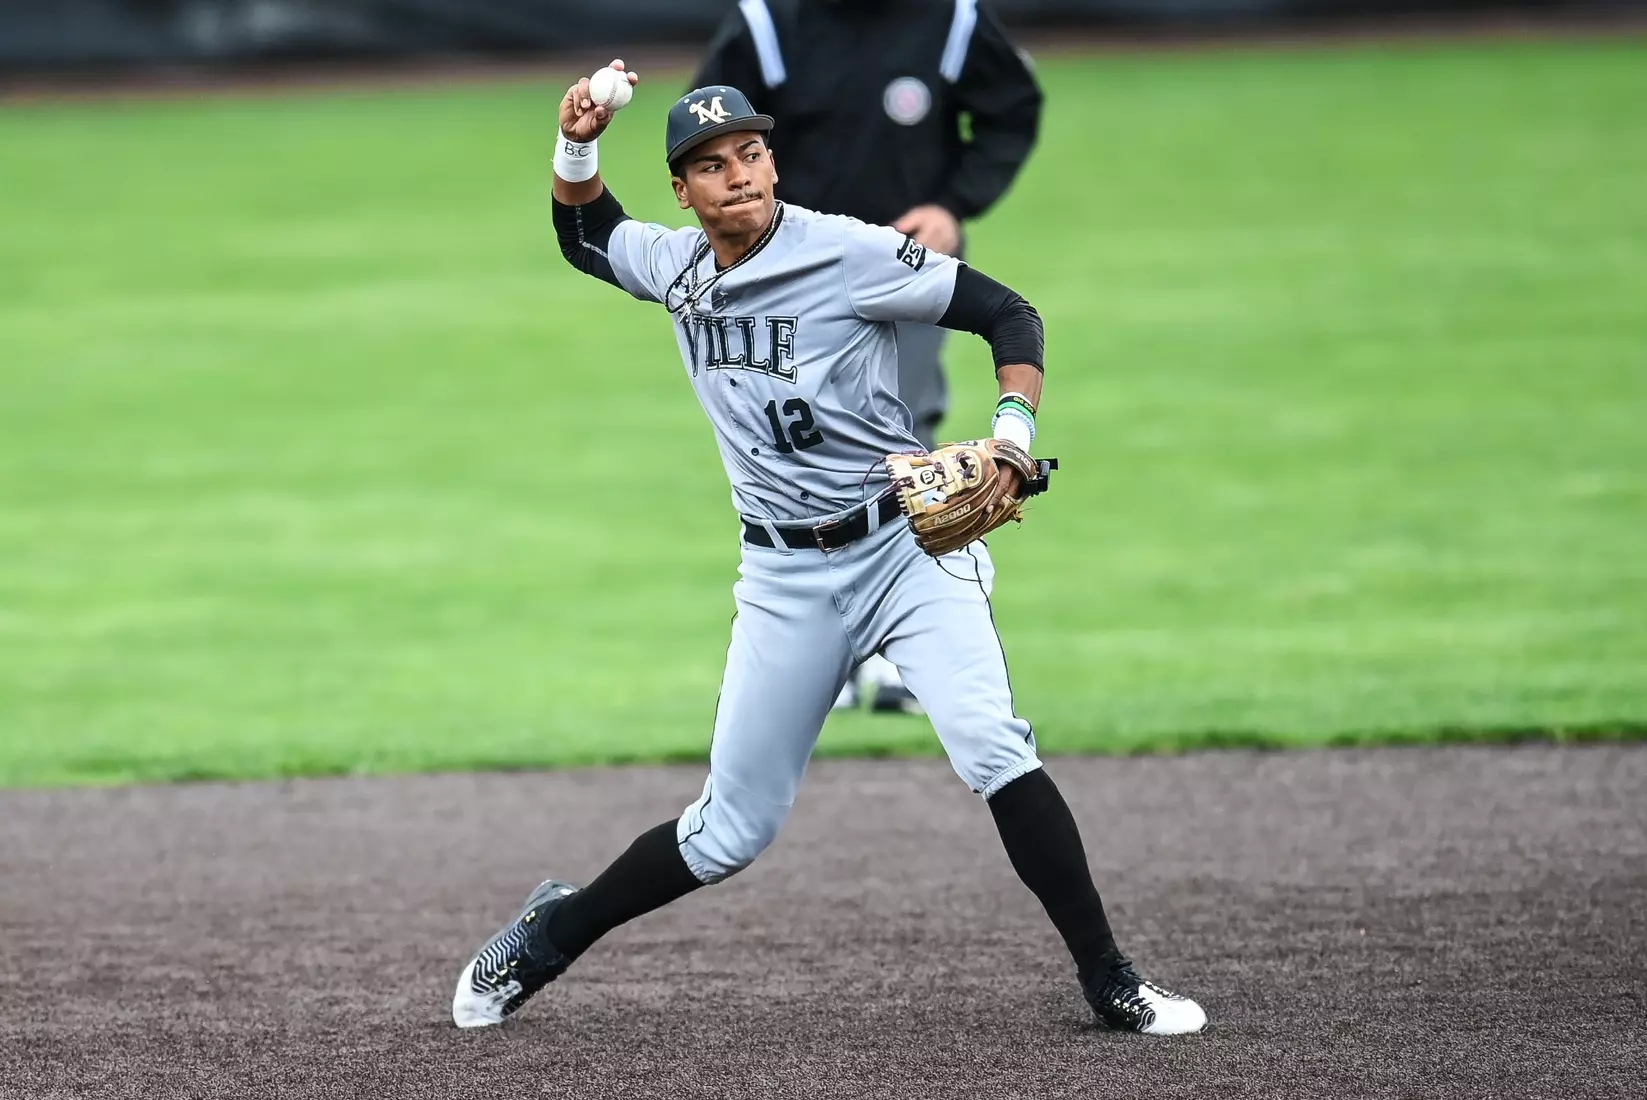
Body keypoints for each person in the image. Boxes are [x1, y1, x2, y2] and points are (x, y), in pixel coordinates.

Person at [449, 62, 1206, 1039]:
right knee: (730, 831)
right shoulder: (676, 266)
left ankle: (1111, 976)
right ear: (684, 191)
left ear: (773, 163)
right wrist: (577, 142)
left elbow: (1008, 314)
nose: (740, 175)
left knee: (988, 741)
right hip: (783, 576)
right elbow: (587, 233)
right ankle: (551, 931)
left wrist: (1012, 434)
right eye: (713, 165)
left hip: (904, 551)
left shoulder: (849, 254)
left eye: (753, 154)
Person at [693, 0, 1043, 715]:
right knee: (804, 455)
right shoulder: (768, 24)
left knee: (903, 445)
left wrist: (954, 203)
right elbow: (704, 136)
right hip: (790, 286)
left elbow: (1012, 109)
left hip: (907, 269)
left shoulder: (948, 20)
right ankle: (825, 647)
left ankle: (899, 652)